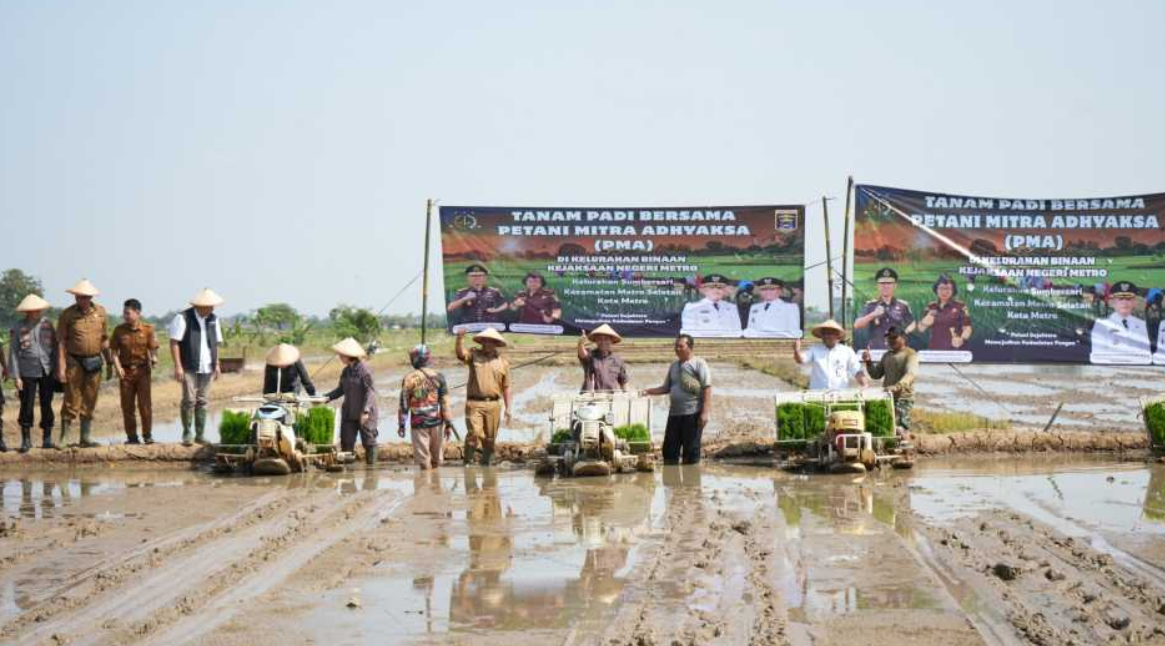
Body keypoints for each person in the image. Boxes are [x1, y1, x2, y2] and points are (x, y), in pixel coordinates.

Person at [639, 334, 711, 465]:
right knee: (669, 451)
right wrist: (647, 391)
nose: (677, 349)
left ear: (690, 347)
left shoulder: (699, 363)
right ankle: (672, 484)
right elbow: (666, 388)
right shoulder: (674, 366)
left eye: (681, 346)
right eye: (676, 346)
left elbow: (706, 387)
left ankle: (691, 484)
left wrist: (705, 413)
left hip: (692, 414)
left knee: (690, 453)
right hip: (674, 414)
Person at [56, 279, 111, 449]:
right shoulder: (67, 314)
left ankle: (85, 438)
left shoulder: (101, 312)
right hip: (74, 361)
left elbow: (104, 339)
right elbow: (61, 342)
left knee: (90, 397)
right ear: (75, 297)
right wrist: (61, 366)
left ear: (91, 297)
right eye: (79, 297)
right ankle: (64, 438)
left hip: (95, 361)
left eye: (85, 297)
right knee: (72, 397)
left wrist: (109, 362)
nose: (81, 300)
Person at [168, 288, 224, 446]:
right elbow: (174, 342)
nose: (212, 309)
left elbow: (216, 344)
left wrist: (217, 364)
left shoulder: (213, 319)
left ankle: (200, 435)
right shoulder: (183, 318)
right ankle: (187, 433)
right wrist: (178, 366)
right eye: (209, 306)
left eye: (213, 306)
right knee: (189, 400)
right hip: (189, 365)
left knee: (203, 400)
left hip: (208, 366)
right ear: (200, 305)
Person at [455, 327, 512, 466]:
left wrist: (509, 408)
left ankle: (487, 468)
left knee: (490, 439)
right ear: (481, 342)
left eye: (491, 341)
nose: (487, 343)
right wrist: (460, 338)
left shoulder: (503, 363)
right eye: (485, 341)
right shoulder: (474, 354)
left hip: (494, 405)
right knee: (473, 434)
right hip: (474, 404)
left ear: (496, 343)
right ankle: (467, 464)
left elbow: (506, 387)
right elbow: (461, 355)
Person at [8, 295, 57, 452]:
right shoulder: (18, 327)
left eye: (38, 309)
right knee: (26, 405)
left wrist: (57, 369)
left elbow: (55, 348)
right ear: (27, 311)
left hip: (47, 369)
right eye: (33, 310)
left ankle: (47, 438)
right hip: (26, 371)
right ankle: (26, 439)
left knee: (46, 404)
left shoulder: (48, 325)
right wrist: (16, 376)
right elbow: (14, 352)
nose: (36, 312)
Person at [109, 299, 159, 445]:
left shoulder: (148, 329)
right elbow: (113, 352)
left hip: (143, 372)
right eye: (124, 312)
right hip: (126, 373)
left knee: (145, 405)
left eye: (128, 313)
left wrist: (154, 358)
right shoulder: (119, 330)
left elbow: (153, 347)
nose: (125, 315)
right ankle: (132, 437)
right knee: (127, 406)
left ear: (137, 313)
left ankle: (147, 435)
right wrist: (118, 368)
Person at [397, 345, 455, 470]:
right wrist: (448, 424)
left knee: (424, 462)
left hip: (419, 424)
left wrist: (401, 424)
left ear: (415, 359)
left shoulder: (409, 378)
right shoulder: (439, 377)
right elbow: (445, 403)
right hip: (437, 423)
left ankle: (427, 485)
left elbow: (404, 405)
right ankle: (435, 485)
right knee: (436, 460)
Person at [324, 337, 379, 465]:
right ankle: (348, 476)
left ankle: (371, 473)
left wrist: (365, 411)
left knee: (369, 442)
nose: (339, 357)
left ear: (348, 356)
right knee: (346, 443)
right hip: (349, 412)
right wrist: (326, 397)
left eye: (341, 355)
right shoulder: (346, 371)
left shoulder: (364, 370)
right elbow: (340, 390)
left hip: (364, 413)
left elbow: (370, 391)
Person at [862, 326, 919, 436]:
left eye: (893, 337)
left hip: (903, 398)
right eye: (888, 338)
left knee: (899, 428)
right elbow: (876, 374)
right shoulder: (887, 355)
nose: (890, 340)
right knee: (883, 426)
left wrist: (897, 386)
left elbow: (910, 374)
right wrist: (868, 361)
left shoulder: (910, 354)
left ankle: (905, 449)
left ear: (903, 338)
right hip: (888, 397)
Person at [792, 319, 869, 390]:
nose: (827, 336)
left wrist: (864, 384)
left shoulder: (847, 351)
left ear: (837, 335)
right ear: (821, 336)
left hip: (840, 394)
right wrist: (796, 351)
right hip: (817, 394)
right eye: (825, 333)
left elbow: (856, 370)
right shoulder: (814, 349)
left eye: (831, 333)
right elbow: (801, 360)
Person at [854, 268, 916, 349]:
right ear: (877, 285)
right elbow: (857, 325)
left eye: (889, 283)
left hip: (896, 350)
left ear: (895, 285)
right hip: (876, 349)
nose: (885, 286)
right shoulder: (870, 305)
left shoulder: (903, 305)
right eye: (882, 283)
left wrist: (903, 334)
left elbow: (913, 323)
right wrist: (873, 314)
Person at [1091, 280, 1151, 364]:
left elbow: (1146, 354)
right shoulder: (1101, 324)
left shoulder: (1141, 324)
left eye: (1128, 298)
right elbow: (1097, 355)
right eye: (1120, 298)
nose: (1124, 302)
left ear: (1134, 302)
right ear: (1113, 302)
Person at [916, 274, 973, 350]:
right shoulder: (931, 306)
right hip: (935, 349)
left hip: (954, 350)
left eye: (948, 288)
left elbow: (967, 328)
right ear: (936, 290)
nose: (944, 292)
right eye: (941, 288)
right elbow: (920, 329)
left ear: (953, 290)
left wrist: (962, 339)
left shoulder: (960, 306)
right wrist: (924, 323)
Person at [577, 324, 628, 392]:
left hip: (610, 399)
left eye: (606, 339)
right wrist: (580, 344)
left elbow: (623, 381)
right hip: (590, 399)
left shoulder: (617, 360)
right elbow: (583, 355)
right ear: (596, 341)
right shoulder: (590, 356)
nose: (603, 342)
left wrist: (626, 396)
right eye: (600, 339)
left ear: (611, 341)